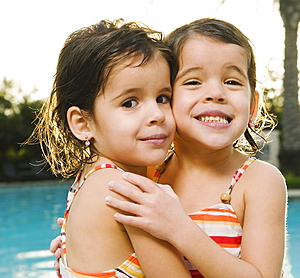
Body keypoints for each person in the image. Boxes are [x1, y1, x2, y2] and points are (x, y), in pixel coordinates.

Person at [51, 18, 287, 277]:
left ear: (252, 106)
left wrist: (180, 229)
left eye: (232, 82)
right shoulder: (143, 175)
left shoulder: (259, 182)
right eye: (193, 82)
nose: (216, 93)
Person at [31, 19, 195, 277]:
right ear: (83, 123)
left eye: (163, 98)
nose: (157, 114)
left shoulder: (90, 180)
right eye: (130, 103)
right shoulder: (127, 192)